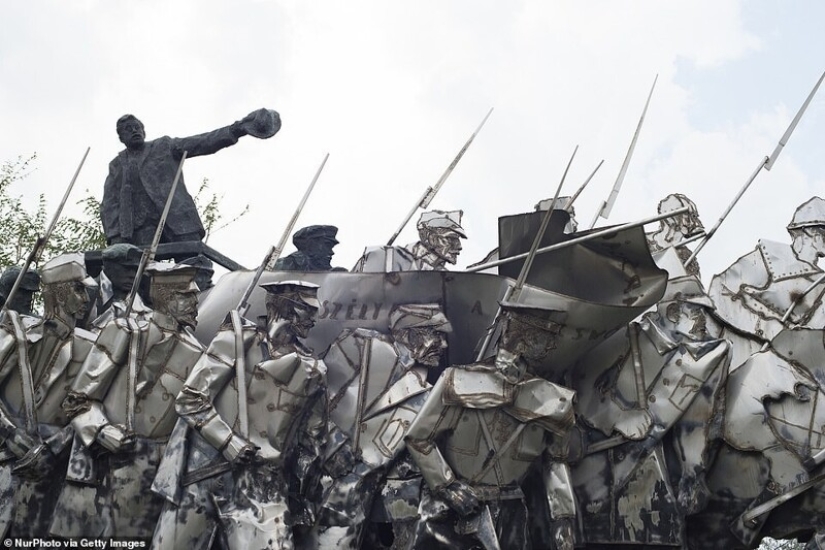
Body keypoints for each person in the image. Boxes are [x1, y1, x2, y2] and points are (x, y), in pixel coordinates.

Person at [153, 281, 327, 549]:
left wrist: (304, 496)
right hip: (205, 475)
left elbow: (312, 441)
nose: (314, 319)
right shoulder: (236, 339)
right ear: (285, 307)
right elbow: (191, 399)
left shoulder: (313, 370)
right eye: (307, 309)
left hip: (263, 488)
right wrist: (228, 442)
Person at [404, 301, 577, 550]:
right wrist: (447, 486)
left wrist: (563, 518)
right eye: (544, 335)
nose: (551, 345)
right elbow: (419, 438)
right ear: (522, 336)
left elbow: (556, 461)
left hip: (511, 511)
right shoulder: (457, 380)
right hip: (452, 510)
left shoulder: (554, 400)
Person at [50, 263, 204, 538]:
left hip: (156, 477)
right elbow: (78, 399)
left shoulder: (198, 353)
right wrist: (101, 430)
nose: (195, 303)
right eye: (186, 296)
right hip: (107, 465)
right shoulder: (126, 331)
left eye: (195, 295)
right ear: (166, 298)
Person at [312, 304, 452, 549]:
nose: (444, 345)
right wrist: (335, 443)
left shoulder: (426, 391)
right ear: (409, 334)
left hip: (367, 490)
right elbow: (314, 397)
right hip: (323, 471)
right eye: (436, 335)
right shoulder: (360, 344)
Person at [0, 254, 97, 538]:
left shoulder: (92, 349)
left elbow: (91, 407)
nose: (85, 299)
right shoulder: (18, 334)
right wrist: (10, 435)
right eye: (78, 290)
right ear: (59, 292)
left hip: (49, 466)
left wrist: (53, 448)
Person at [101, 109, 281, 246]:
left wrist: (236, 129)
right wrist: (116, 237)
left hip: (177, 217)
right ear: (121, 137)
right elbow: (109, 204)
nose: (135, 131)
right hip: (140, 228)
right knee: (138, 275)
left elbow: (201, 142)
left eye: (137, 127)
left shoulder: (164, 145)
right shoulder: (117, 165)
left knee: (195, 266)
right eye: (128, 129)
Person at [708, 196, 825, 369]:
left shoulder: (821, 285)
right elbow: (719, 291)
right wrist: (767, 327)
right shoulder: (769, 256)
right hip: (733, 350)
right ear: (810, 233)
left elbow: (812, 342)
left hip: (776, 367)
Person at [353, 210, 466, 272]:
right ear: (430, 237)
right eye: (451, 239)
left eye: (458, 240)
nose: (459, 246)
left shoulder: (447, 280)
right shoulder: (383, 257)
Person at [646, 193, 704, 277]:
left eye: (693, 216)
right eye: (687, 215)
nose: (692, 222)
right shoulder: (643, 240)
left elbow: (692, 283)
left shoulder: (687, 257)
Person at [271, 225, 343, 271]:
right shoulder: (287, 264)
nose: (331, 252)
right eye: (327, 246)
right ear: (312, 244)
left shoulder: (328, 271)